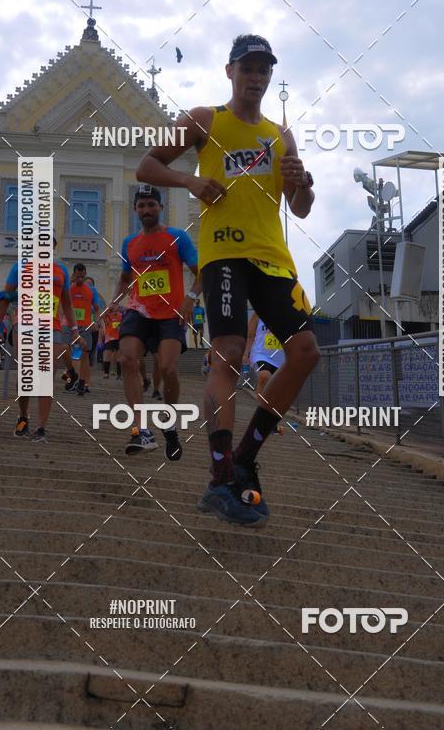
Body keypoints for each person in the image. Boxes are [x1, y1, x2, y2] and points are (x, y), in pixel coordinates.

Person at [136, 33, 320, 526]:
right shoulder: (204, 120)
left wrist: (302, 182)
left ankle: (244, 460)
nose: (256, 77)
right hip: (223, 256)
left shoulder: (281, 136)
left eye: (264, 70)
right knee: (230, 353)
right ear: (230, 71)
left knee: (305, 353)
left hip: (273, 259)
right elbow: (146, 165)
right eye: (248, 68)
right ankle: (220, 478)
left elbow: (299, 208)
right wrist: (192, 181)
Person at [110, 185, 200, 459]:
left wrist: (190, 299)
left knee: (168, 367)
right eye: (141, 206)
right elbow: (127, 278)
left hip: (171, 313)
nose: (146, 210)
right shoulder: (130, 243)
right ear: (135, 210)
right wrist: (114, 301)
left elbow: (202, 271)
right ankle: (141, 430)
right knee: (126, 360)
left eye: (151, 205)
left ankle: (169, 422)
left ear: (160, 208)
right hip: (138, 309)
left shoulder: (177, 238)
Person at [0, 239, 81, 442]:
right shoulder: (20, 265)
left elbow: (67, 304)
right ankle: (23, 416)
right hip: (24, 324)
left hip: (51, 327)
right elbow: (7, 297)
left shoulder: (60, 269)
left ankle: (41, 428)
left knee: (46, 375)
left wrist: (76, 329)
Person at [69, 263, 100, 396]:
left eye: (82, 276)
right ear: (73, 275)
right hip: (71, 326)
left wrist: (96, 321)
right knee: (72, 353)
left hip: (86, 326)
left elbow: (97, 308)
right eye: (77, 277)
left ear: (85, 274)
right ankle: (73, 376)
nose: (80, 279)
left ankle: (83, 383)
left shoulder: (91, 290)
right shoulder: (69, 288)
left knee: (85, 354)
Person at [101, 303, 123, 379]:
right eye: (114, 305)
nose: (115, 307)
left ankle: (119, 375)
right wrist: (108, 307)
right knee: (107, 355)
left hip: (119, 338)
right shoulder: (107, 315)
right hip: (109, 338)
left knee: (119, 356)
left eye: (116, 305)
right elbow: (102, 315)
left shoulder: (121, 315)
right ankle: (106, 374)